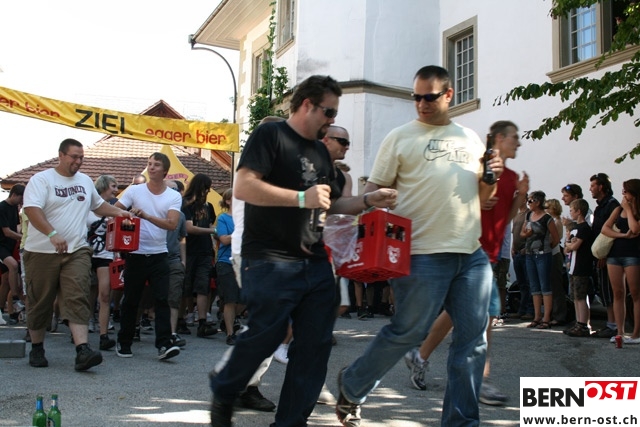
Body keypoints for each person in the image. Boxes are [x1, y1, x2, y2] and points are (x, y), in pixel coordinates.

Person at [209, 75, 397, 427]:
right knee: (268, 333)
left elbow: (333, 203)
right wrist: (300, 198)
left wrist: (369, 199)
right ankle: (226, 386)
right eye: (329, 111)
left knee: (314, 347)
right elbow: (244, 186)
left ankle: (290, 423)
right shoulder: (272, 135)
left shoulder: (319, 153)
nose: (332, 120)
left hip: (314, 259)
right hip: (269, 258)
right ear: (308, 105)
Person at [335, 66, 503, 427]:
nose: (421, 103)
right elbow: (372, 190)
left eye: (429, 97)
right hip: (419, 253)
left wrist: (494, 176)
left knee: (473, 342)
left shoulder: (471, 139)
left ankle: (461, 422)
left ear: (448, 95)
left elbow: (483, 198)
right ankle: (353, 384)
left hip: (470, 254)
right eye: (416, 97)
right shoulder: (399, 137)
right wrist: (375, 200)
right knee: (408, 332)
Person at [402, 120, 526, 408]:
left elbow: (505, 220)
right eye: (514, 137)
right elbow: (454, 201)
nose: (518, 142)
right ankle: (480, 379)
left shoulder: (510, 176)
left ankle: (419, 355)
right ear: (498, 138)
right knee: (487, 316)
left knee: (456, 314)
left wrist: (520, 197)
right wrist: (478, 196)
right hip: (471, 251)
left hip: (489, 253)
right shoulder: (478, 168)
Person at [22, 138, 132, 370]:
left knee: (78, 295)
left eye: (81, 157)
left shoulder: (84, 181)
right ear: (61, 155)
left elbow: (98, 205)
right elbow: (32, 209)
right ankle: (37, 347)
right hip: (42, 251)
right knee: (40, 301)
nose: (78, 161)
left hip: (77, 250)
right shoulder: (41, 180)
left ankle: (82, 350)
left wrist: (119, 213)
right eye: (74, 157)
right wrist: (52, 234)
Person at [114, 152, 183, 360]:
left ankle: (164, 345)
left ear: (165, 171)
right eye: (149, 163)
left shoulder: (173, 196)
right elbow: (115, 210)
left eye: (156, 165)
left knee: (162, 299)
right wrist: (126, 215)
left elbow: (172, 224)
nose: (151, 167)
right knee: (131, 299)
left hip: (159, 253)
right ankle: (124, 342)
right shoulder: (134, 190)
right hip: (135, 253)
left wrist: (145, 215)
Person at [601, 179, 640, 344]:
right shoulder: (618, 209)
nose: (623, 194)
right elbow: (605, 229)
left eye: (626, 191)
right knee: (617, 293)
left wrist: (629, 210)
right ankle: (620, 332)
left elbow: (635, 229)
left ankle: (636, 334)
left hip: (633, 254)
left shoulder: (634, 210)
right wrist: (623, 235)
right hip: (615, 254)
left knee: (636, 293)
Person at [181, 173, 218, 338]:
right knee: (185, 287)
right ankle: (181, 320)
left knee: (203, 286)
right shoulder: (185, 204)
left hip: (205, 251)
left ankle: (202, 322)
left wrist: (213, 233)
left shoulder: (209, 206)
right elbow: (189, 228)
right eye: (206, 188)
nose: (208, 191)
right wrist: (212, 231)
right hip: (188, 250)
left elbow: (210, 225)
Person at [86, 175, 119, 351]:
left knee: (105, 294)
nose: (116, 190)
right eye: (113, 186)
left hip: (105, 254)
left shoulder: (114, 208)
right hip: (85, 253)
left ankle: (103, 335)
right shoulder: (86, 206)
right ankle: (81, 328)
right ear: (104, 186)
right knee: (84, 292)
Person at [520, 191, 560, 330]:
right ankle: (537, 316)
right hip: (530, 254)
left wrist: (546, 248)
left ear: (538, 202)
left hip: (543, 255)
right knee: (534, 286)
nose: (528, 203)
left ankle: (546, 318)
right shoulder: (528, 215)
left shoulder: (547, 218)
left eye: (530, 201)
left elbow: (556, 238)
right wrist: (527, 234)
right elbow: (522, 233)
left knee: (545, 286)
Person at [589, 173, 620, 338]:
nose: (590, 189)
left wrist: (604, 255)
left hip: (609, 256)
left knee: (610, 291)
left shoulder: (612, 205)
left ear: (601, 187)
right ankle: (611, 324)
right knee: (604, 291)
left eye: (593, 185)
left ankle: (614, 325)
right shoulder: (600, 206)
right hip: (600, 255)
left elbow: (612, 232)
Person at [215, 188, 244, 345]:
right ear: (228, 201)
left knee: (247, 298)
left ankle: (228, 320)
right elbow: (224, 240)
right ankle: (230, 333)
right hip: (226, 262)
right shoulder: (223, 218)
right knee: (231, 299)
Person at [563, 199, 594, 337]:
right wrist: (569, 243)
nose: (570, 213)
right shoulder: (575, 229)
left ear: (579, 211)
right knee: (575, 297)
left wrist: (571, 244)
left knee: (581, 297)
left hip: (581, 266)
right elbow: (567, 248)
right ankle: (578, 322)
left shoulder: (584, 228)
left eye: (572, 210)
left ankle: (583, 324)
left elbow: (574, 246)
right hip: (573, 267)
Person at [165, 179, 188, 348]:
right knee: (145, 296)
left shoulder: (181, 215)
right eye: (170, 189)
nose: (174, 192)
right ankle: (135, 327)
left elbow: (182, 238)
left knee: (174, 297)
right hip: (153, 258)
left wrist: (183, 260)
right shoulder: (154, 209)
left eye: (176, 190)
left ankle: (172, 333)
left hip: (174, 260)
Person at [0, 184, 25, 317]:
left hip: (9, 247)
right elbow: (7, 232)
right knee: (13, 265)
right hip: (1, 246)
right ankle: (15, 298)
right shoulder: (1, 208)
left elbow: (16, 227)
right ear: (14, 195)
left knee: (5, 280)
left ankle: (0, 310)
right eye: (20, 199)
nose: (21, 203)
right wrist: (24, 238)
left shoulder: (14, 208)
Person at [545, 198, 569, 326]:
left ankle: (559, 315)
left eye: (547, 207)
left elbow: (555, 239)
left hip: (554, 254)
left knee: (556, 286)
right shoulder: (553, 221)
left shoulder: (557, 222)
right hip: (550, 254)